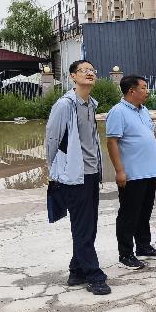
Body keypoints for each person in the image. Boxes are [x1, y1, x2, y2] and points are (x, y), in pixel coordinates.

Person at [45, 60, 110, 295]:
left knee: (88, 226)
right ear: (73, 76)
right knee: (83, 227)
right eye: (84, 70)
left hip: (91, 174)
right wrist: (55, 170)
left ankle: (76, 271)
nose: (89, 73)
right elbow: (52, 139)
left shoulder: (90, 104)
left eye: (92, 70)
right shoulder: (65, 105)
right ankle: (94, 275)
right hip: (74, 176)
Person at [105, 75, 156, 270]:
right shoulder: (118, 112)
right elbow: (112, 142)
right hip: (132, 173)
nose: (147, 91)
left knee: (144, 212)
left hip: (148, 171)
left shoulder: (144, 110)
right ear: (131, 91)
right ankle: (125, 254)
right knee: (128, 214)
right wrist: (119, 171)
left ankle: (143, 246)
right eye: (144, 87)